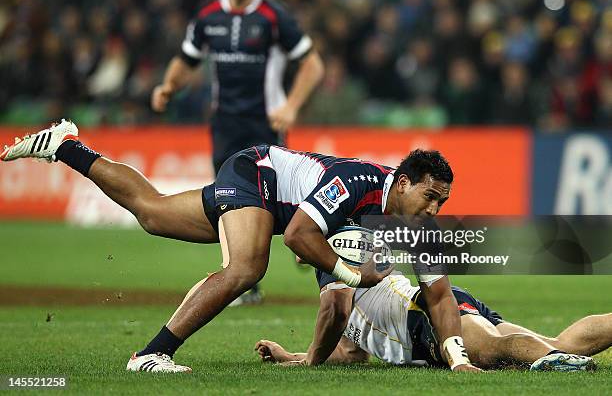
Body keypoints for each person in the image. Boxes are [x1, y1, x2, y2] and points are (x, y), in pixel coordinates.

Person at [1, 119, 480, 373]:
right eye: (430, 196)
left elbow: (362, 301)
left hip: (273, 203)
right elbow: (298, 237)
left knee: (152, 212)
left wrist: (457, 359)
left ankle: (66, 146)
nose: (434, 209)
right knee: (247, 268)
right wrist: (354, 274)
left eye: (442, 202)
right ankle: (152, 354)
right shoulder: (357, 183)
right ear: (404, 183)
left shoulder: (404, 224)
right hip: (258, 175)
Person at [152, 0, 324, 305]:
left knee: (282, 201)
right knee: (230, 202)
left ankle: (311, 247)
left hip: (266, 125)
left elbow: (313, 64)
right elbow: (186, 59)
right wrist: (168, 87)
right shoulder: (208, 16)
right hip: (225, 125)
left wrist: (292, 106)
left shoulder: (275, 17)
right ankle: (243, 282)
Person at [255, 270, 607, 371]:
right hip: (432, 309)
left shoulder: (337, 275)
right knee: (558, 343)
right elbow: (348, 353)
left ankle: (552, 362)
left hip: (424, 318)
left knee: (492, 351)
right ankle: (555, 356)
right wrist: (292, 357)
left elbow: (337, 311)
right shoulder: (336, 286)